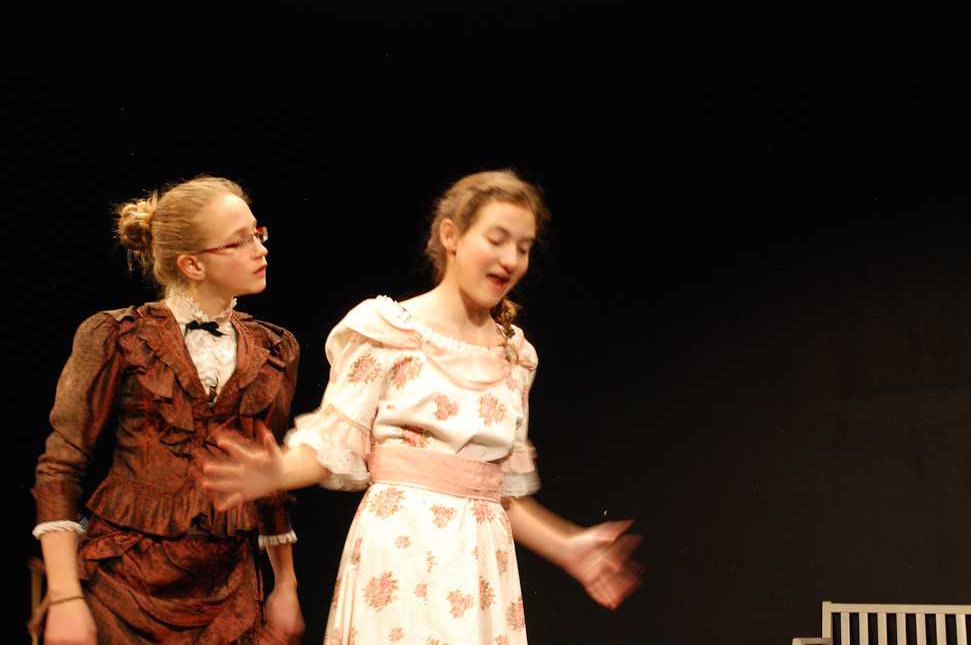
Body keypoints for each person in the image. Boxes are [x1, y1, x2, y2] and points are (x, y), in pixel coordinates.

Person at [204, 170, 641, 644]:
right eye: (496, 240)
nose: (511, 259)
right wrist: (275, 473)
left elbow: (496, 489)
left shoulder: (517, 357)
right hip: (403, 552)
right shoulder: (387, 330)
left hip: (481, 568)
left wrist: (568, 547)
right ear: (451, 235)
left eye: (523, 247)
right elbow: (329, 444)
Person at [32, 176, 305, 645]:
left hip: (228, 592)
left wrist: (286, 585)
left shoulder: (275, 349)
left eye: (257, 233)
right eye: (238, 241)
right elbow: (61, 466)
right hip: (123, 585)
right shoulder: (120, 336)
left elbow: (269, 475)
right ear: (192, 264)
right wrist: (64, 597)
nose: (260, 249)